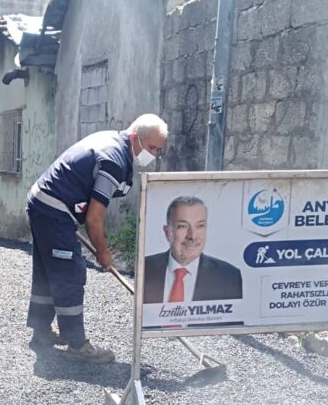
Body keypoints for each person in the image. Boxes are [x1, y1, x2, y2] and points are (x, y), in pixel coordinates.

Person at [26, 114, 168, 363]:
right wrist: (103, 252)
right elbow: (94, 218)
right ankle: (77, 344)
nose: (153, 154)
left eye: (158, 150)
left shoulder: (114, 141)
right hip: (54, 208)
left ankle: (42, 332)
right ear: (135, 137)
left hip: (42, 201)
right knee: (70, 273)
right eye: (151, 147)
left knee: (48, 270)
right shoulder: (113, 160)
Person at [142, 195, 242, 304]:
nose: (192, 236)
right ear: (167, 233)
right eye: (182, 226)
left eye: (199, 226)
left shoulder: (229, 276)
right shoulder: (145, 268)